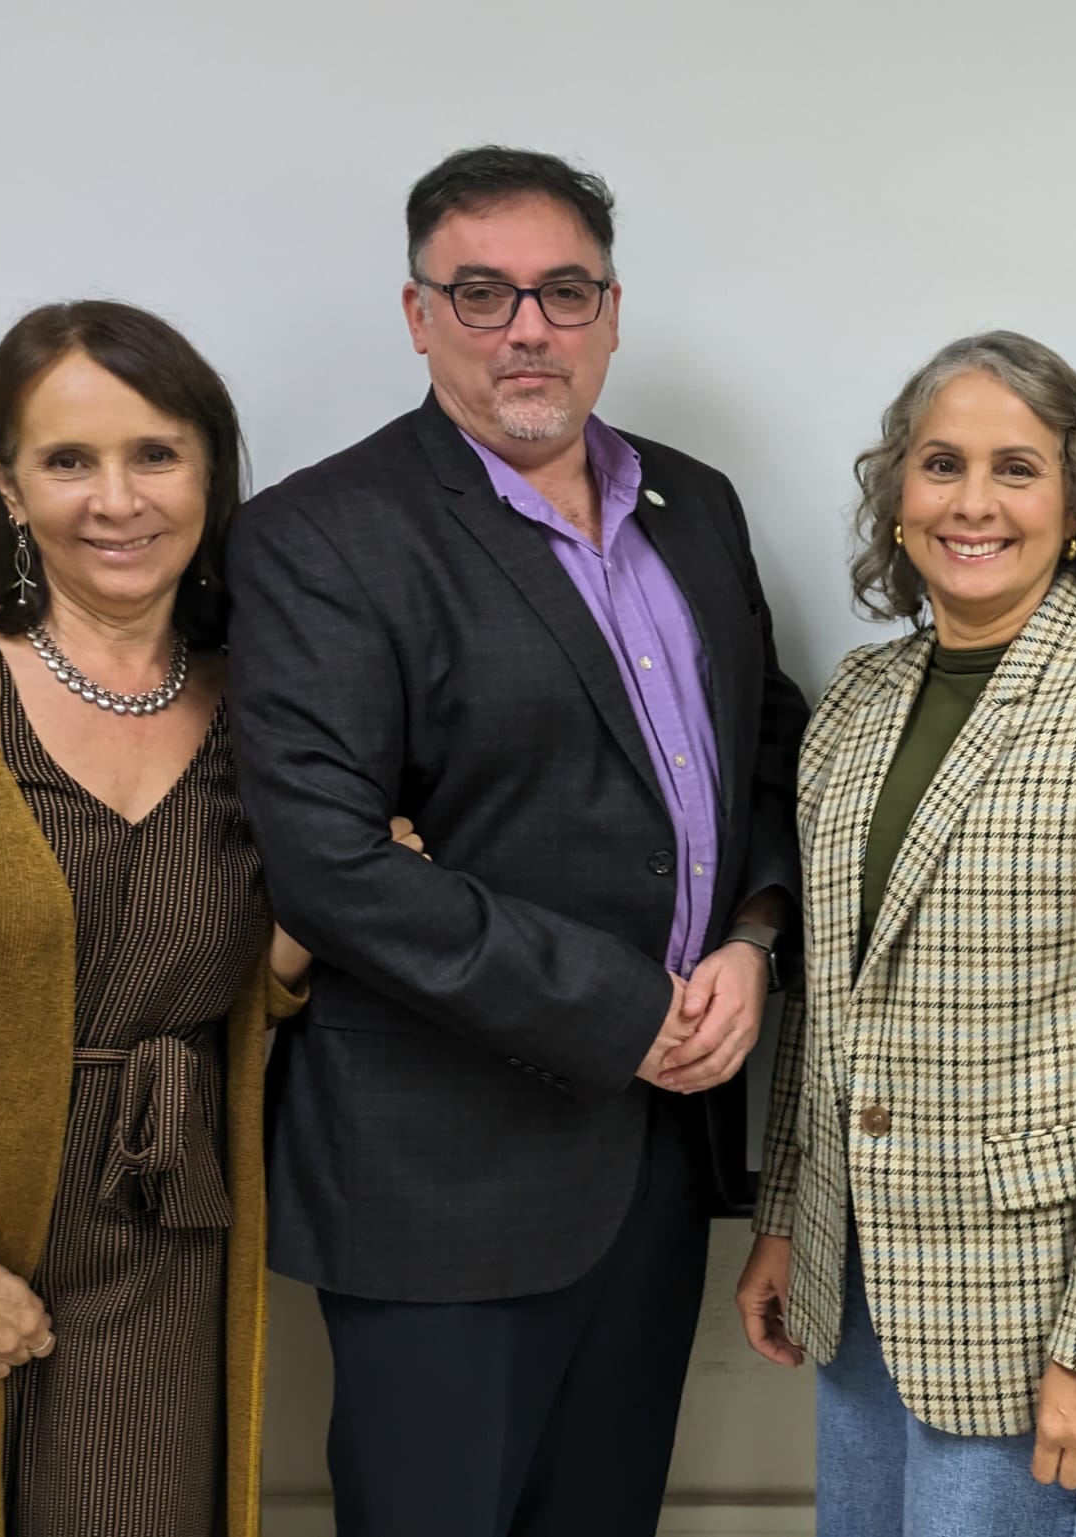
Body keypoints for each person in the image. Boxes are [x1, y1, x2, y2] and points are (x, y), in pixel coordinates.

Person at [223, 145, 807, 1537]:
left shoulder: (698, 505)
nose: (527, 327)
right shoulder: (322, 537)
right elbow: (332, 867)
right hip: (442, 1181)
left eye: (562, 290)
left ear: (612, 312)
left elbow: (776, 749)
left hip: (659, 1163)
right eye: (482, 293)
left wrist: (754, 936)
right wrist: (629, 1008)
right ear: (419, 315)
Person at [734, 330, 1076, 1536]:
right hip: (857, 1273)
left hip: (1035, 1306)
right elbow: (828, 994)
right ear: (897, 497)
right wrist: (783, 1225)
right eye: (939, 464)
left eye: (1015, 468)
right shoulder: (856, 704)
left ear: (1074, 503)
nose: (973, 502)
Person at [0, 300, 315, 1537]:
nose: (117, 498)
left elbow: (228, 982)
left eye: (155, 453)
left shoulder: (276, 701)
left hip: (170, 1230)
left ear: (210, 473)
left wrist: (311, 932)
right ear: (7, 487)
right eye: (68, 459)